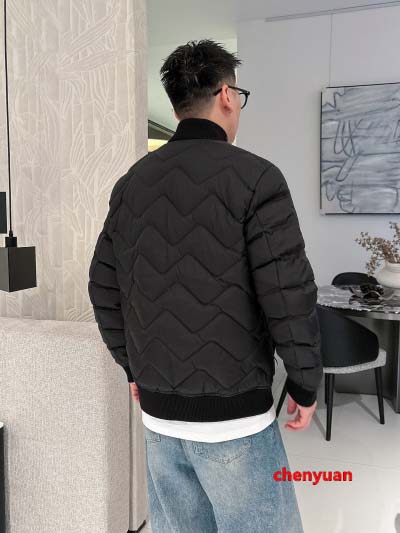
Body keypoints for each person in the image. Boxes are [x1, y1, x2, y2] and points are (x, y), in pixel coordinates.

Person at [88, 38, 323, 533]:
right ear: (227, 95)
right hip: (235, 419)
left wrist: (132, 367)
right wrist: (305, 381)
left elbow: (103, 287)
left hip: (159, 417)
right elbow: (287, 292)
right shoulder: (257, 178)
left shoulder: (132, 184)